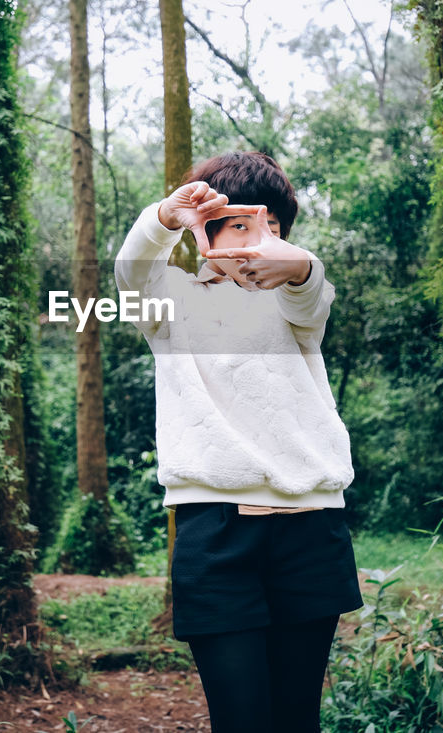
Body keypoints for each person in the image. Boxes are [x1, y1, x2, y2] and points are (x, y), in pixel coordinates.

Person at [114, 151, 362, 733]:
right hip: (214, 531)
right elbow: (131, 271)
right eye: (243, 224)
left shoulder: (297, 299)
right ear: (206, 233)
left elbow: (309, 287)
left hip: (310, 527)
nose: (263, 240)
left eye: (275, 226)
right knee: (241, 720)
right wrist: (165, 216)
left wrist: (298, 267)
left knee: (297, 719)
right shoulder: (170, 301)